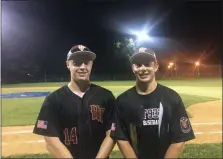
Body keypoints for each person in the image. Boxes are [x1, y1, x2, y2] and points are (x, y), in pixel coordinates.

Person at [110, 47, 195, 159]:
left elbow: (179, 140)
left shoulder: (171, 98)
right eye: (138, 65)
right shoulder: (123, 101)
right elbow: (121, 139)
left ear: (156, 67)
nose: (143, 68)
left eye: (147, 64)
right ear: (133, 68)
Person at [33, 45, 116, 159]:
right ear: (68, 64)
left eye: (86, 62)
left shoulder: (106, 96)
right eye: (77, 63)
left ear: (91, 65)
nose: (83, 67)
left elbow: (111, 134)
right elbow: (50, 139)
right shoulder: (53, 99)